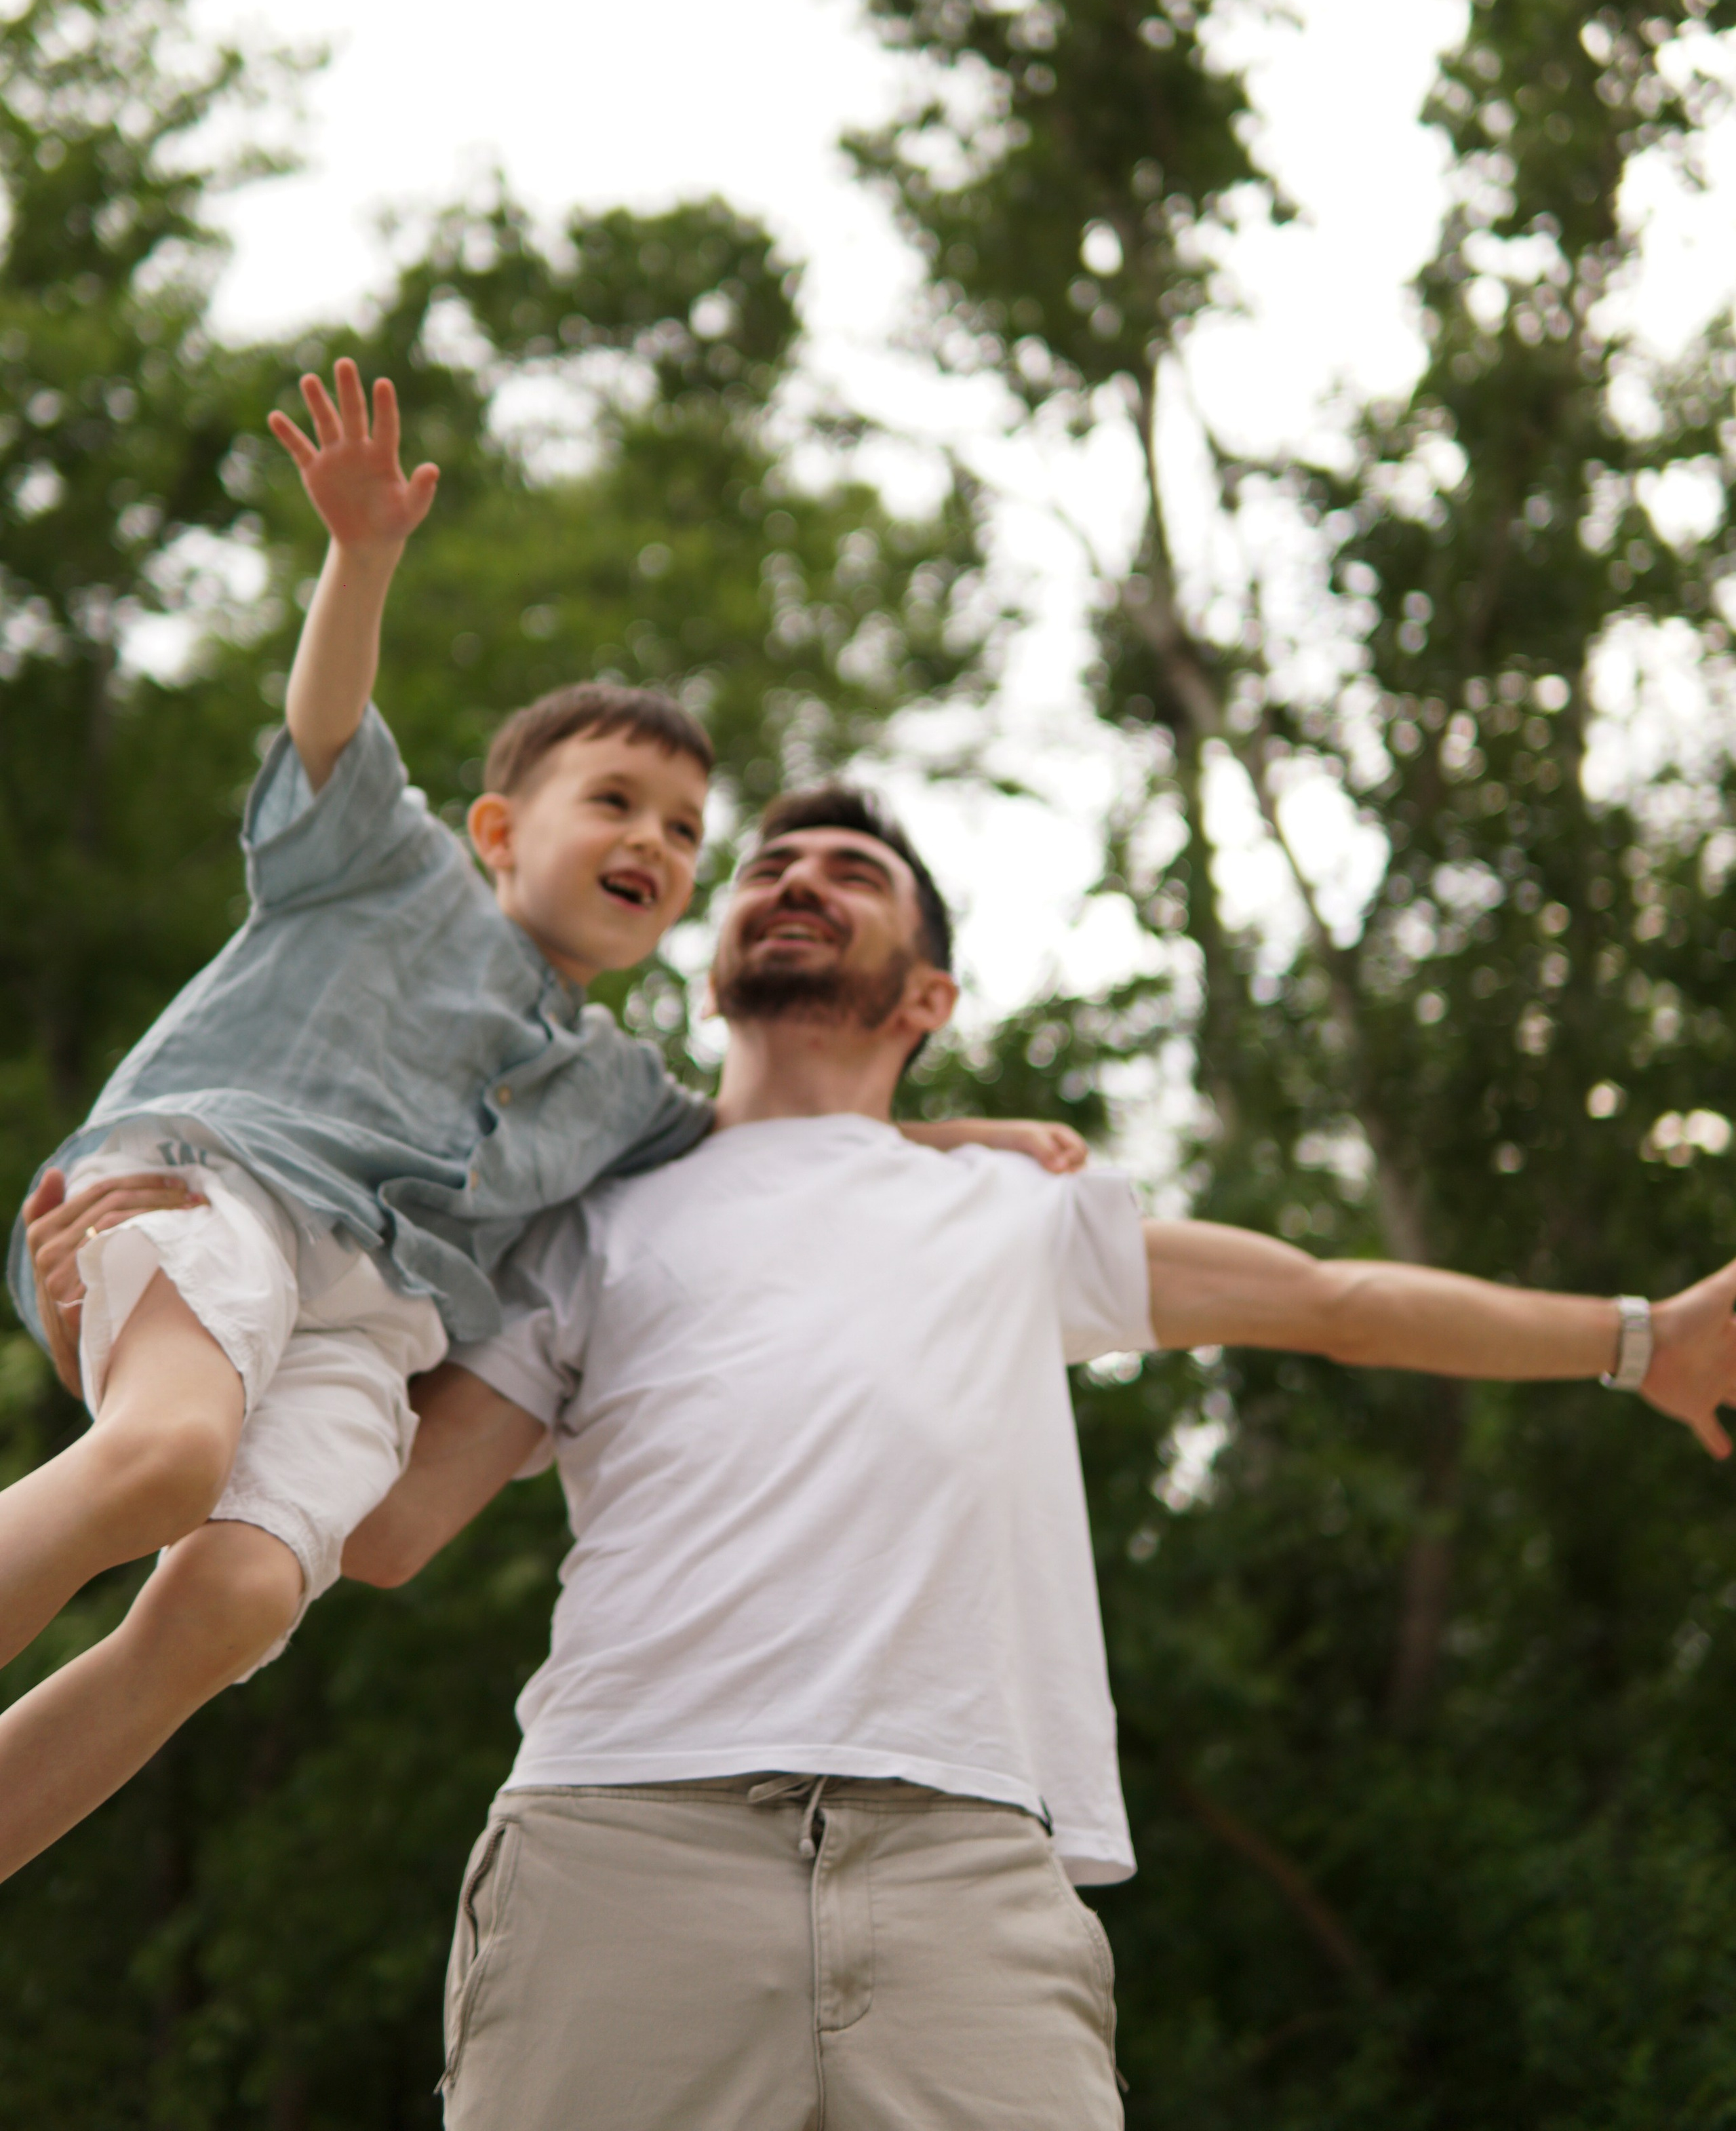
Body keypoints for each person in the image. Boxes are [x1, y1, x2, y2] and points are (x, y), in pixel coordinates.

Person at [39, 781, 1736, 2128]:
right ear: (710, 968)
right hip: (619, 1848)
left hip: (965, 1872)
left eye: (849, 871)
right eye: (771, 864)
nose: (795, 878)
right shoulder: (582, 1221)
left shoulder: (1014, 1205)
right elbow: (394, 1525)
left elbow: (1334, 1299)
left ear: (923, 990)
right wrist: (160, 1300)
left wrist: (1640, 1339)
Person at [0, 362, 1063, 1886]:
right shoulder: (393, 868)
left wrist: (963, 1141)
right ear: (502, 831)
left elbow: (781, 1143)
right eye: (616, 802)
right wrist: (360, 557)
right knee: (169, 1457)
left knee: (232, 1603)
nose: (653, 840)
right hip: (219, 1185)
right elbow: (329, 718)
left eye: (684, 833)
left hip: (367, 1330)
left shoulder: (621, 1096)